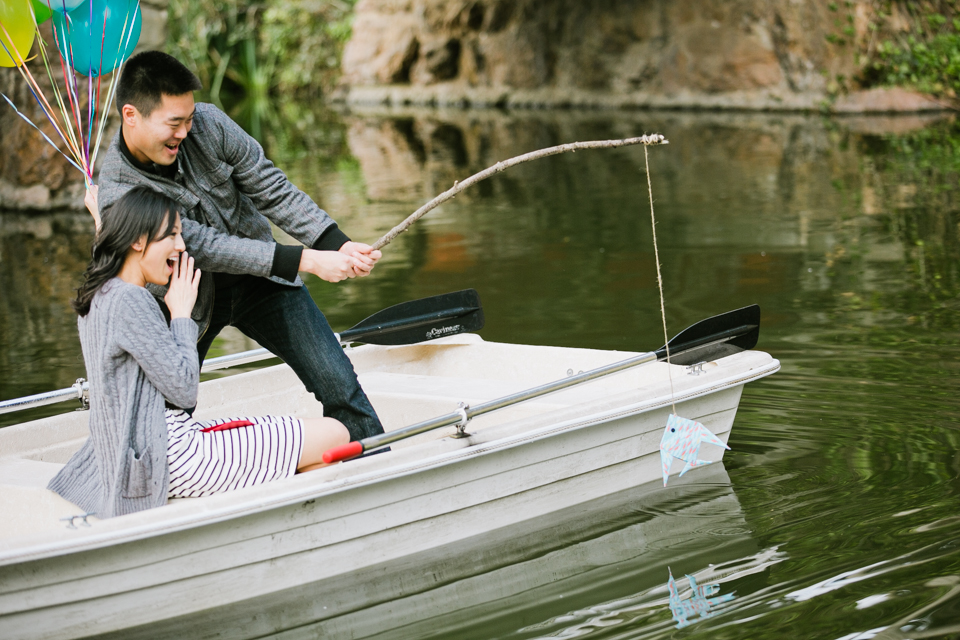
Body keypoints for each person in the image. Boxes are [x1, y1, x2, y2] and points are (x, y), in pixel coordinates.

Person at [90, 50, 384, 442]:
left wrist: (337, 244)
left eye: (189, 119)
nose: (184, 132)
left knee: (339, 381)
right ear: (131, 116)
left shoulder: (209, 125)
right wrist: (307, 260)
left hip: (262, 282)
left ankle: (379, 463)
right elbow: (202, 245)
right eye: (174, 123)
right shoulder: (117, 190)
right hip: (183, 303)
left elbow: (270, 187)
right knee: (167, 417)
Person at [49, 187, 350, 518]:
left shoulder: (99, 294)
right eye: (173, 235)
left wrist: (100, 219)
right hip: (172, 456)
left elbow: (109, 256)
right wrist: (181, 314)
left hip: (149, 445)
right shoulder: (131, 301)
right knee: (335, 434)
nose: (181, 246)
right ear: (137, 240)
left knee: (285, 435)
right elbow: (182, 390)